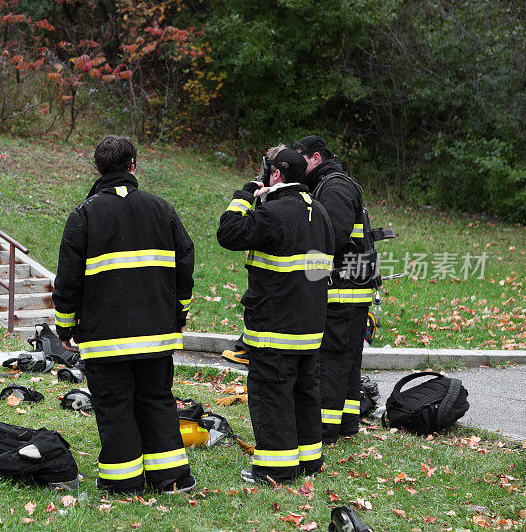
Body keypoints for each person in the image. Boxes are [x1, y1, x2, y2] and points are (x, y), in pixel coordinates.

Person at [52, 136, 196, 495]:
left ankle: (123, 483)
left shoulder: (83, 215)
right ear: (133, 164)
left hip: (105, 338)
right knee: (157, 400)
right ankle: (172, 479)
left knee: (114, 406)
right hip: (156, 335)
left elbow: (67, 280)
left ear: (98, 168)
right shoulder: (162, 209)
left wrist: (65, 325)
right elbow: (186, 261)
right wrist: (179, 311)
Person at [217, 146, 334, 484]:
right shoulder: (320, 212)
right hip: (310, 326)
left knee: (272, 395)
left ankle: (276, 469)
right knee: (304, 392)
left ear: (276, 174)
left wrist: (246, 195)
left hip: (274, 325)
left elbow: (228, 233)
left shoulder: (274, 213)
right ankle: (309, 460)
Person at [291, 135, 370, 445]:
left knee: (331, 363)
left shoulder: (334, 188)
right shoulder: (333, 183)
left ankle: (323, 431)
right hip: (352, 292)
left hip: (341, 292)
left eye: (300, 160)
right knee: (347, 363)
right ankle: (347, 423)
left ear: (315, 158)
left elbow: (331, 238)